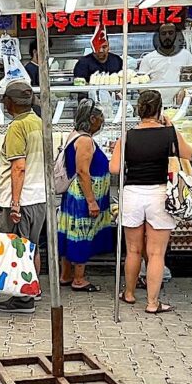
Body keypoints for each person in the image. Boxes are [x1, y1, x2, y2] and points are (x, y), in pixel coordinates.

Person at [110, 90, 192, 314]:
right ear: (159, 110)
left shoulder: (127, 135)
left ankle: (129, 293)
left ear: (139, 110)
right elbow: (188, 154)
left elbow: (114, 168)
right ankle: (152, 303)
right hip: (160, 194)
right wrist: (171, 127)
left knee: (133, 250)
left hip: (132, 194)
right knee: (156, 253)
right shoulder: (169, 133)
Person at [0, 80, 46, 315]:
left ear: (9, 102)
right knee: (31, 247)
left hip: (20, 199)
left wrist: (14, 203)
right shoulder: (39, 122)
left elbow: (18, 167)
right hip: (38, 197)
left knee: (17, 249)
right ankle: (33, 289)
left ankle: (23, 299)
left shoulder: (17, 126)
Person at [57, 100, 113, 292]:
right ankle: (79, 279)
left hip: (74, 196)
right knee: (82, 233)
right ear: (92, 119)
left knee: (70, 233)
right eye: (101, 119)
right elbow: (82, 171)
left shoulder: (74, 135)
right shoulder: (85, 141)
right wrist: (91, 201)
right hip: (83, 196)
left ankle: (66, 275)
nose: (102, 123)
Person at [138, 22, 192, 104]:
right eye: (163, 33)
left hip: (180, 105)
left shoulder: (186, 55)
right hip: (156, 106)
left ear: (176, 35)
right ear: (159, 36)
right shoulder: (148, 58)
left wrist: (185, 92)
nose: (167, 36)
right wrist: (151, 102)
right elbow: (141, 86)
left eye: (171, 33)